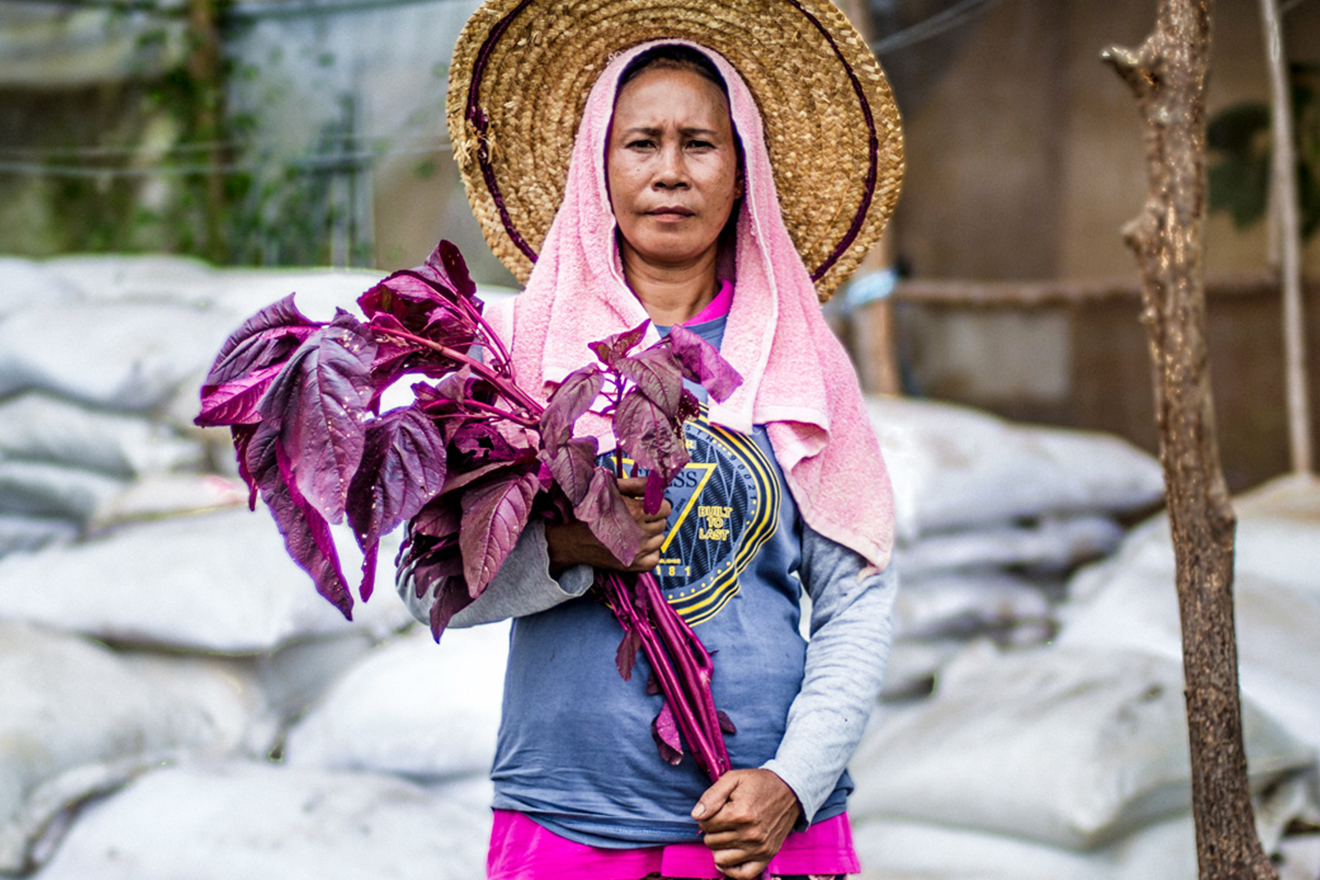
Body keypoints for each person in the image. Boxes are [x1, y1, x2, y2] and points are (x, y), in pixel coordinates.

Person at [400, 3, 905, 878]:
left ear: (744, 172)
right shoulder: (517, 355)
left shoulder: (801, 358)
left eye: (700, 144)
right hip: (566, 821)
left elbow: (858, 597)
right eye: (641, 143)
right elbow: (425, 582)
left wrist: (794, 782)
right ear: (598, 168)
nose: (670, 171)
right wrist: (565, 548)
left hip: (764, 830)